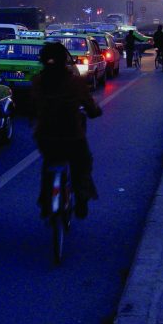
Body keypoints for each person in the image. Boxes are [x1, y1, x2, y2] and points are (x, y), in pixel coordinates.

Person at [31, 41, 102, 219]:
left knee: (49, 164)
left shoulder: (38, 81)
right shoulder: (75, 82)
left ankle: (46, 202)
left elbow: (31, 107)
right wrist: (95, 111)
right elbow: (91, 108)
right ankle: (82, 198)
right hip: (72, 136)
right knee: (82, 165)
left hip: (46, 137)